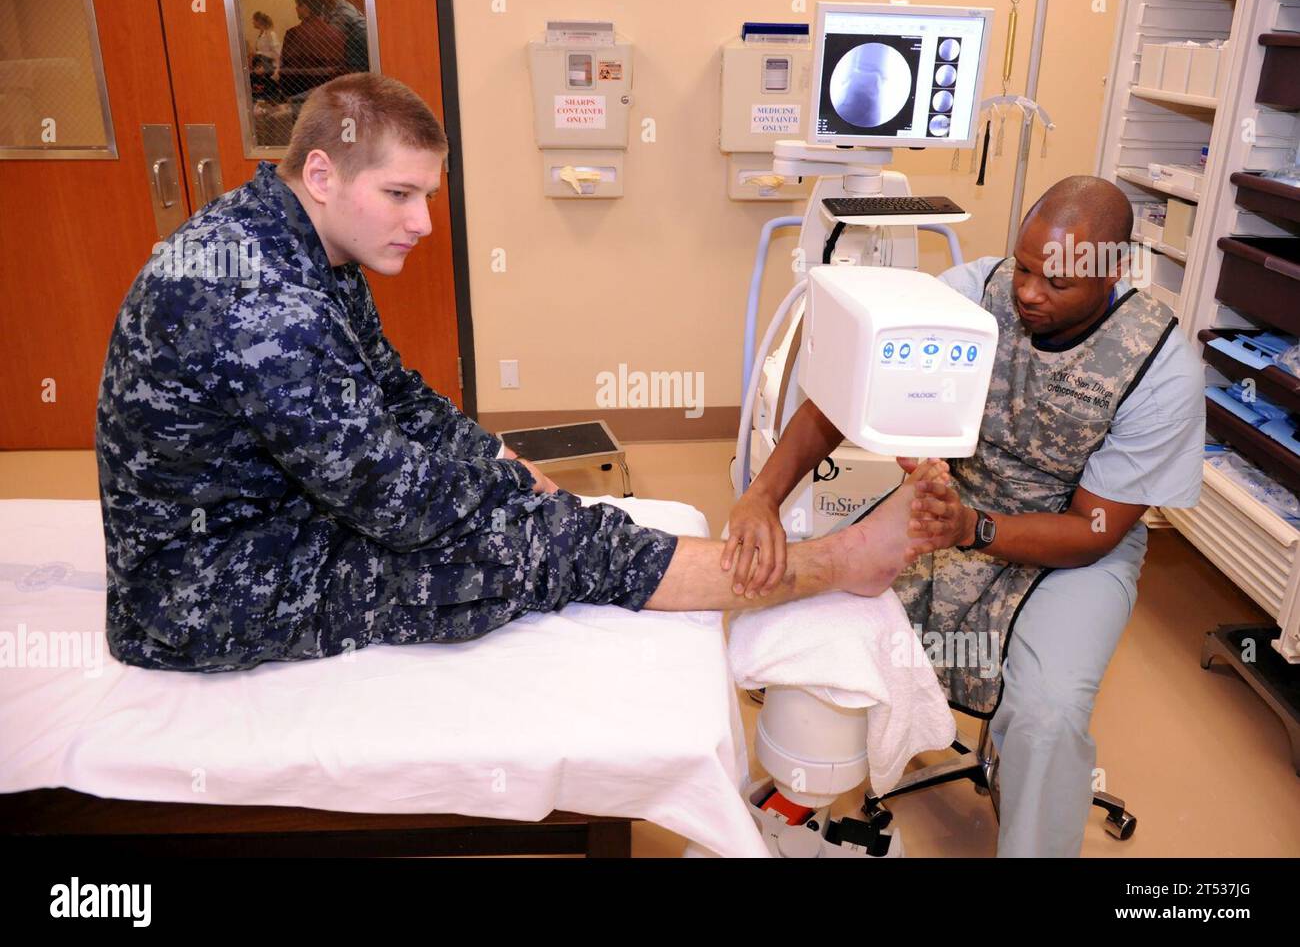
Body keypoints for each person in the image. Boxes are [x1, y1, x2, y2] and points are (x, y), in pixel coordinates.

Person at [95, 71, 945, 674]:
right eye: (399, 195)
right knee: (531, 547)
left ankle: (623, 538)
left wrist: (495, 459)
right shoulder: (260, 301)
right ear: (321, 173)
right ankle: (833, 564)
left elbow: (395, 393)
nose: (423, 222)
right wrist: (509, 498)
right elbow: (397, 502)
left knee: (515, 501)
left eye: (427, 195)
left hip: (269, 515)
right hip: (203, 589)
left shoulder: (299, 239)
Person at [726, 176, 1205, 857]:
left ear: (1113, 269)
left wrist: (972, 529)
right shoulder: (972, 293)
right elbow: (844, 392)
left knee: (1045, 714)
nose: (1030, 292)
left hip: (1077, 546)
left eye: (1058, 282)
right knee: (808, 614)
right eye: (1026, 267)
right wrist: (762, 496)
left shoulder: (1160, 369)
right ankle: (798, 803)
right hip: (953, 499)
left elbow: (1095, 528)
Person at [278, 0, 345, 98]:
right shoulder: (337, 34)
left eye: (297, 5)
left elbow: (288, 76)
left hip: (303, 98)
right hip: (331, 96)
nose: (296, 9)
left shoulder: (294, 34)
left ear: (305, 7)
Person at [313, 0, 369, 73]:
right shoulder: (325, 10)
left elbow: (327, 42)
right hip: (345, 64)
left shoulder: (345, 12)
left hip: (359, 66)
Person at [250, 11, 280, 76]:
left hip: (271, 68)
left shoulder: (271, 34)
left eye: (254, 20)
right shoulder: (260, 35)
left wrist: (258, 53)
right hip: (262, 67)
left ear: (259, 21)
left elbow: (276, 53)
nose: (252, 22)